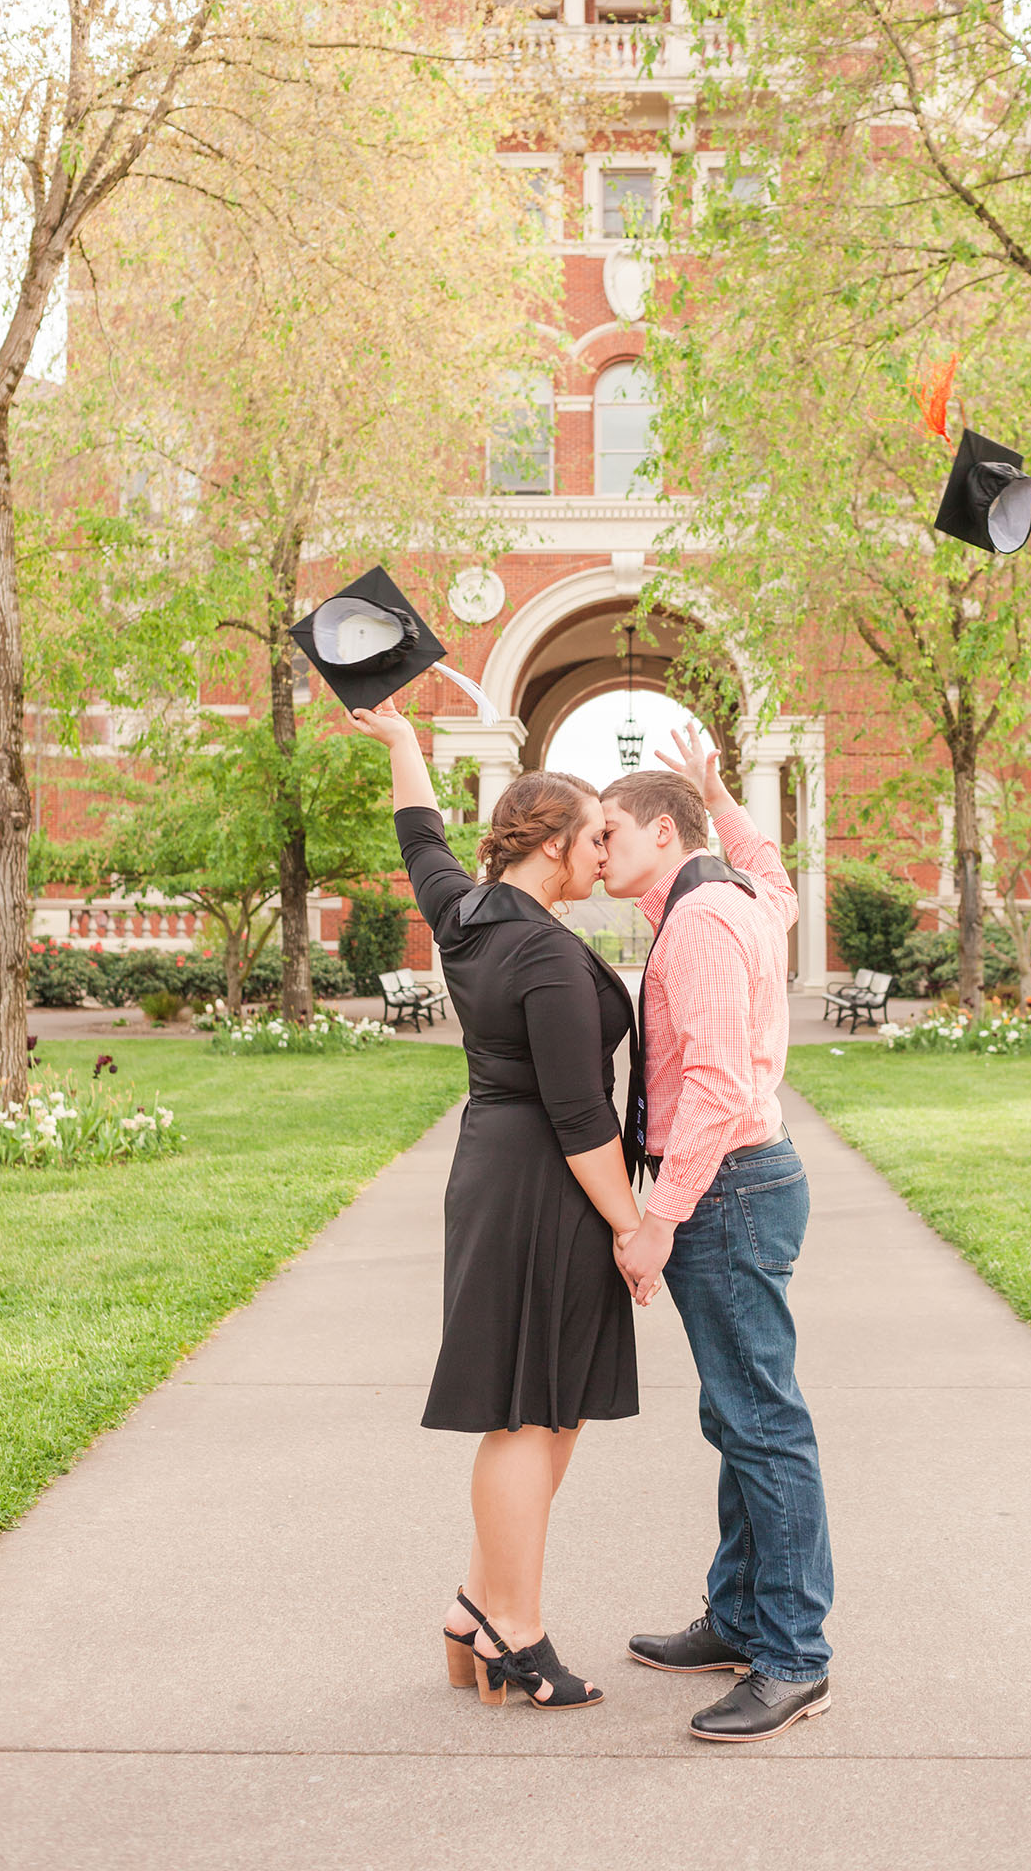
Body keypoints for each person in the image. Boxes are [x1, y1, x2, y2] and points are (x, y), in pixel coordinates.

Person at [349, 699, 651, 1713]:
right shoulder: (549, 955)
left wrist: (401, 743)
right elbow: (579, 1116)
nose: (604, 851)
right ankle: (516, 1630)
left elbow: (420, 838)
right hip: (544, 1182)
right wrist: (631, 1223)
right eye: (595, 836)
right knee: (532, 1413)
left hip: (493, 1165)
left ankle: (478, 1606)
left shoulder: (467, 912)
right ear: (556, 842)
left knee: (544, 1402)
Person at [600, 726, 834, 1744]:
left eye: (608, 830)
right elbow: (775, 871)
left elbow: (712, 1086)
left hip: (728, 1186)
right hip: (751, 1182)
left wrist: (656, 1221)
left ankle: (791, 1655)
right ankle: (740, 1616)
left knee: (763, 1422)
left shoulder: (698, 924)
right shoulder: (737, 899)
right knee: (738, 1415)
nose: (594, 846)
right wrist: (721, 793)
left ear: (663, 830)